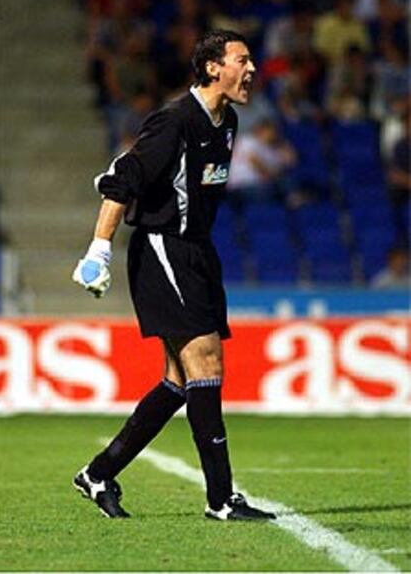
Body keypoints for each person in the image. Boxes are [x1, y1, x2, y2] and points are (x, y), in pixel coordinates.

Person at [72, 30, 275, 522]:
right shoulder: (174, 120)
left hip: (197, 253)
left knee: (180, 381)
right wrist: (98, 249)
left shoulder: (228, 122)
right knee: (205, 362)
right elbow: (124, 177)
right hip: (164, 247)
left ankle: (99, 473)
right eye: (241, 61)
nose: (251, 70)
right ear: (212, 68)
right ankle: (221, 498)